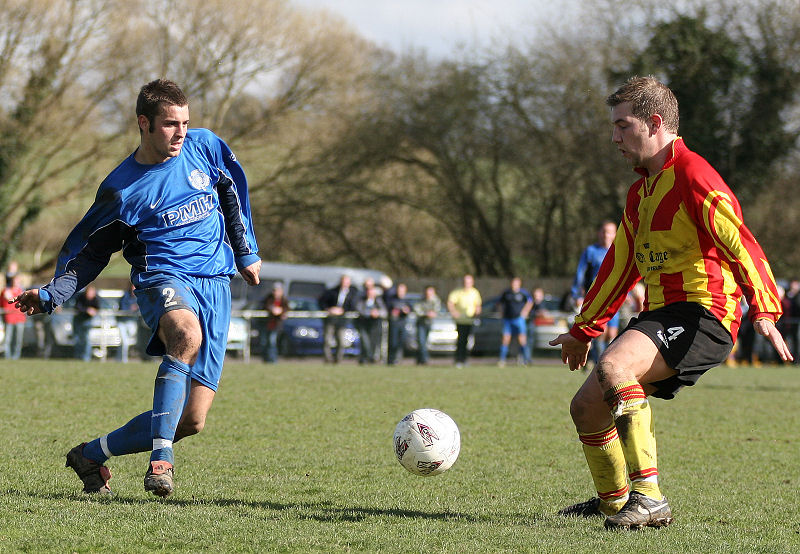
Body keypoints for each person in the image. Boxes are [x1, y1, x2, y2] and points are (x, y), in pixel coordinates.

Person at [550, 76, 791, 530]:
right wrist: (584, 328)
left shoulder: (694, 175)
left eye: (623, 126)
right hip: (663, 315)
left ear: (655, 123)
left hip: (705, 314)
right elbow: (619, 264)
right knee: (586, 407)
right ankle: (614, 503)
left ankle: (649, 498)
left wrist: (764, 308)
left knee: (615, 370)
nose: (614, 137)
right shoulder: (640, 191)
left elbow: (742, 244)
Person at [13, 79, 261, 498]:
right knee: (185, 335)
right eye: (169, 124)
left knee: (191, 421)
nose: (180, 131)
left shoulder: (206, 147)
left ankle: (91, 454)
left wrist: (245, 249)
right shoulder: (121, 189)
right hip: (161, 278)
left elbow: (232, 190)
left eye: (185, 122)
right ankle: (161, 461)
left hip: (217, 282)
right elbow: (90, 252)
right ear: (144, 124)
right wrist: (53, 292)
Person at [571, 220, 620, 368]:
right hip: (596, 298)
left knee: (612, 333)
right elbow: (580, 274)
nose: (606, 235)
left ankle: (603, 362)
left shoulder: (619, 251)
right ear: (599, 233)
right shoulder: (591, 251)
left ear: (615, 234)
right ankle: (600, 364)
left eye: (610, 231)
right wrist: (577, 294)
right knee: (600, 333)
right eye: (604, 231)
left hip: (614, 297)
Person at [318, 274, 359, 363]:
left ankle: (338, 359)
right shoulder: (332, 291)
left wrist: (342, 310)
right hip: (330, 319)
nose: (344, 284)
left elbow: (354, 306)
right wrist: (329, 309)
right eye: (343, 281)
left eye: (347, 282)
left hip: (342, 320)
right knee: (327, 340)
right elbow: (322, 301)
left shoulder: (353, 293)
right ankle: (328, 359)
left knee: (341, 341)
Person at [496, 277, 534, 367]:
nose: (514, 285)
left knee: (522, 340)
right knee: (505, 339)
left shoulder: (523, 293)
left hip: (519, 320)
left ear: (519, 284)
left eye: (516, 283)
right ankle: (502, 360)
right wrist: (501, 313)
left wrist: (525, 312)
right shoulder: (506, 293)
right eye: (513, 283)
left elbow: (530, 302)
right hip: (508, 320)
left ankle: (525, 360)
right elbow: (499, 303)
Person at [447, 274, 482, 368]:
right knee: (461, 340)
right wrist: (454, 312)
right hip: (460, 321)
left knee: (467, 341)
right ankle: (458, 359)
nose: (467, 284)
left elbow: (478, 304)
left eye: (469, 282)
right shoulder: (457, 292)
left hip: (470, 321)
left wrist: (477, 311)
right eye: (465, 282)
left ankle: (465, 359)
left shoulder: (475, 292)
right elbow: (450, 303)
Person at [355, 278, 386, 364]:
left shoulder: (378, 301)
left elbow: (384, 311)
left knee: (374, 342)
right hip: (364, 324)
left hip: (375, 324)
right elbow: (359, 309)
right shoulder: (361, 299)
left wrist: (377, 313)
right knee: (365, 342)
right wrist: (370, 313)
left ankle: (370, 358)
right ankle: (366, 358)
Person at [260, 282, 290, 363]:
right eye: (274, 290)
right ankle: (266, 359)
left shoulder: (284, 300)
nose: (275, 292)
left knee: (272, 342)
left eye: (277, 290)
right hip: (266, 324)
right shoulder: (269, 298)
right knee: (264, 343)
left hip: (276, 325)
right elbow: (264, 306)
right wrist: (272, 309)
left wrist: (281, 311)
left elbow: (287, 308)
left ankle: (273, 360)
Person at [414, 285, 442, 365]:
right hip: (421, 323)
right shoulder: (421, 300)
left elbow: (437, 310)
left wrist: (434, 313)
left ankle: (420, 360)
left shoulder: (436, 300)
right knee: (421, 341)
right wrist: (426, 313)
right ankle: (425, 359)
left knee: (425, 342)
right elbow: (417, 310)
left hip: (430, 324)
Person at [385, 282, 412, 365]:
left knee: (401, 341)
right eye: (399, 290)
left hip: (402, 323)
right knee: (393, 342)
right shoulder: (391, 299)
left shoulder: (407, 300)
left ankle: (398, 359)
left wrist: (407, 310)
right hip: (394, 323)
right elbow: (388, 308)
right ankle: (390, 360)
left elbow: (410, 309)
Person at [1, 273, 26, 359]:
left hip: (20, 318)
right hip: (9, 318)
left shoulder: (22, 292)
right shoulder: (6, 291)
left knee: (18, 339)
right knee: (8, 338)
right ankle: (7, 356)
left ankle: (16, 356)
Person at [73, 285, 101, 361]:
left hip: (88, 321)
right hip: (78, 320)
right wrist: (87, 310)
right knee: (78, 339)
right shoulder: (81, 297)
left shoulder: (95, 299)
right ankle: (77, 356)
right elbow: (77, 307)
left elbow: (97, 308)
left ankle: (86, 358)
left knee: (87, 339)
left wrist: (93, 311)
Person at [116, 282, 140, 363]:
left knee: (127, 341)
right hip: (122, 322)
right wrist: (131, 308)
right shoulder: (125, 296)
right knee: (125, 341)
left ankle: (118, 358)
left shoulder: (139, 297)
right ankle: (123, 360)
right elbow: (123, 308)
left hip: (132, 321)